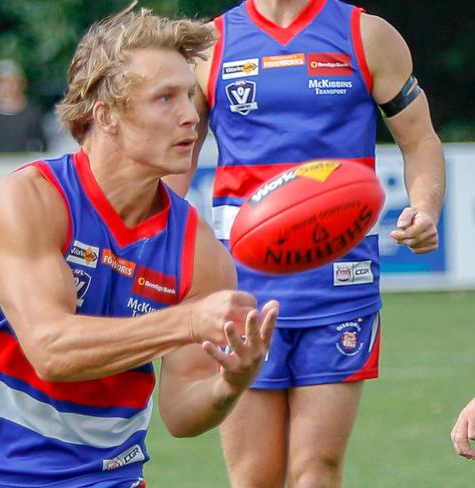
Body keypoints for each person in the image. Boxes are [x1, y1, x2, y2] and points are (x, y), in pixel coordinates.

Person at [0, 6, 278, 488]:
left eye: (190, 96)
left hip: (109, 478)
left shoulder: (198, 251)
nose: (190, 117)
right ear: (107, 114)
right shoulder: (30, 199)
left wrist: (229, 384)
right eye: (165, 98)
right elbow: (51, 350)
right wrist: (186, 321)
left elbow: (181, 412)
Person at [164, 0, 446, 486]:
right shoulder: (208, 45)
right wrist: (155, 240)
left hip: (340, 283)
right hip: (238, 287)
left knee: (316, 470)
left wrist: (425, 207)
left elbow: (419, 139)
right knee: (255, 476)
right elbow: (174, 157)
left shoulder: (367, 34)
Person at [0, 58, 48, 155]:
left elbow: (42, 148)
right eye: (1, 82)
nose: (6, 87)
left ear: (21, 83)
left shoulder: (32, 115)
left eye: (11, 82)